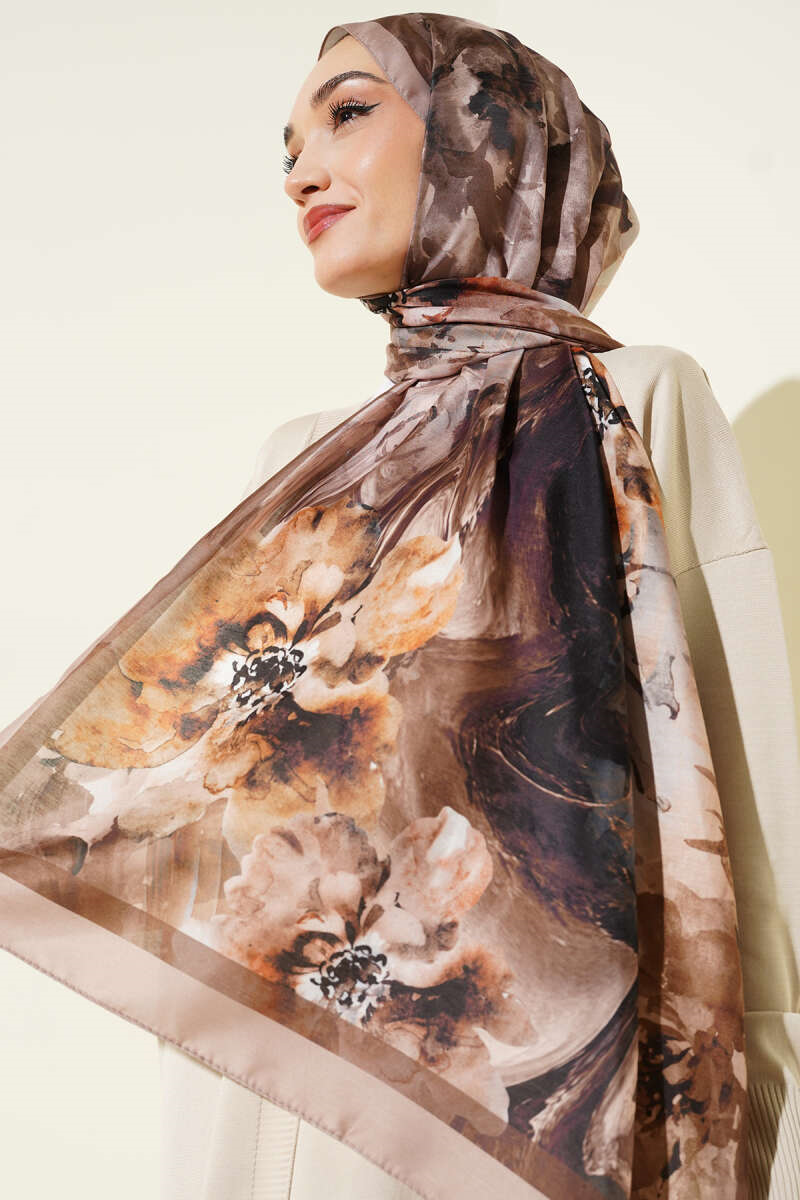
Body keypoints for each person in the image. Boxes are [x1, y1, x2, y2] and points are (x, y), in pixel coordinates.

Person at [0, 14, 797, 1200]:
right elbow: (208, 807)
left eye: (346, 113)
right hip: (277, 1101)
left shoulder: (629, 398)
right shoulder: (303, 460)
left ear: (493, 138)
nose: (300, 174)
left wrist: (760, 1113)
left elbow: (737, 803)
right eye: (287, 149)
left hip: (507, 1087)